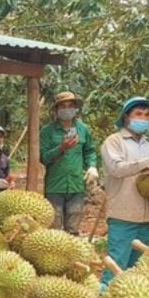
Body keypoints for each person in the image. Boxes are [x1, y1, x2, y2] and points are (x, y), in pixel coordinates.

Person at [99, 97, 149, 292]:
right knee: (116, 263)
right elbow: (116, 169)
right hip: (123, 214)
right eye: (138, 114)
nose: (143, 118)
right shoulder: (113, 142)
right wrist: (148, 162)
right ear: (126, 117)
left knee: (139, 267)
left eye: (147, 115)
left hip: (148, 216)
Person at [40, 91, 98, 234]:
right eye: (63, 106)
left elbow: (89, 150)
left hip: (76, 185)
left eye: (70, 106)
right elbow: (43, 158)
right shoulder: (47, 131)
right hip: (55, 186)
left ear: (75, 108)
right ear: (57, 110)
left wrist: (92, 166)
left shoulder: (83, 129)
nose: (67, 109)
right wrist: (61, 148)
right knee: (54, 228)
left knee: (73, 228)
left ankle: (71, 255)